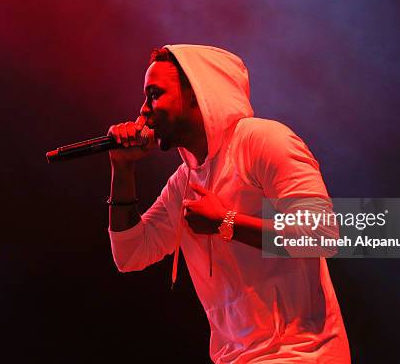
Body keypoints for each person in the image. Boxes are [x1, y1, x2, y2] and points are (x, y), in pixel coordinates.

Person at [107, 44, 350, 363]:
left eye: (154, 95)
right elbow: (130, 254)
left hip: (301, 352)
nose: (143, 110)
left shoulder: (262, 142)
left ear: (196, 94)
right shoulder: (184, 182)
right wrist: (122, 169)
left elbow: (321, 234)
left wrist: (226, 223)